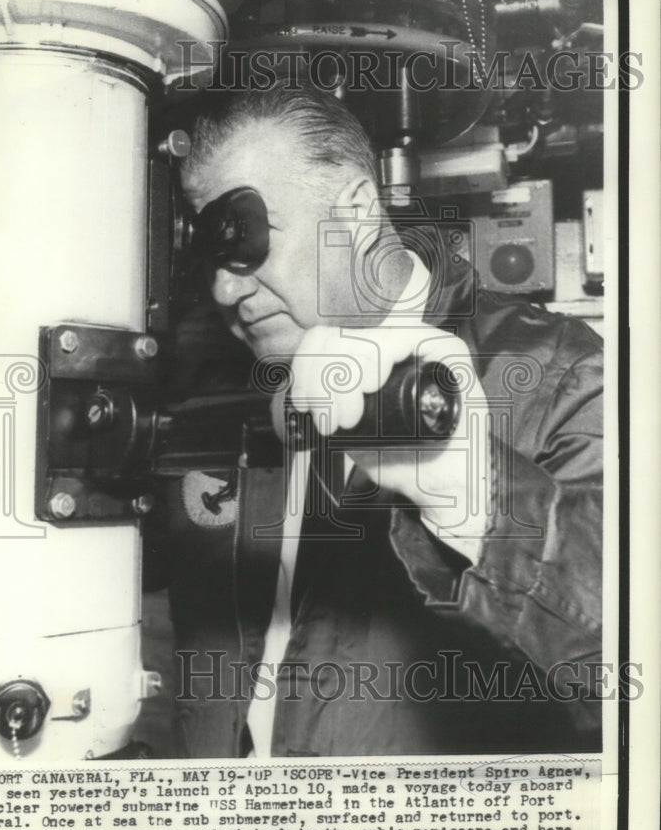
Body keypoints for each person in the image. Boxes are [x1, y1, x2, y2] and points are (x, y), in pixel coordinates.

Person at [159, 83, 603, 758]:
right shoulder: (212, 386)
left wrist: (476, 496)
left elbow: (622, 656)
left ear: (357, 209)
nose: (225, 289)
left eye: (246, 240)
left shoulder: (555, 373)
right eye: (210, 253)